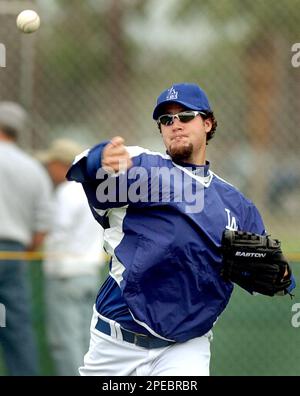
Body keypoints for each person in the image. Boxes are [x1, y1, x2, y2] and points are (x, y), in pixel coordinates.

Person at [66, 83, 296, 376]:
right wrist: (101, 158)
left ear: (207, 123)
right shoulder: (143, 170)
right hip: (116, 340)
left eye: (185, 116)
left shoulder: (237, 206)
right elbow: (81, 166)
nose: (175, 124)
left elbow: (276, 280)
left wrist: (282, 276)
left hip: (186, 346)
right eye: (166, 119)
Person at [37, 138, 106, 376]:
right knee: (87, 341)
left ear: (62, 164)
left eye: (52, 164)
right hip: (89, 273)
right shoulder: (92, 190)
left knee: (65, 343)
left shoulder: (67, 191)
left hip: (65, 275)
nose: (49, 169)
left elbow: (58, 232)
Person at [0, 101, 52, 375]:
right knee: (17, 329)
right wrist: (25, 249)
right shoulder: (32, 168)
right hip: (15, 254)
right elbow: (44, 223)